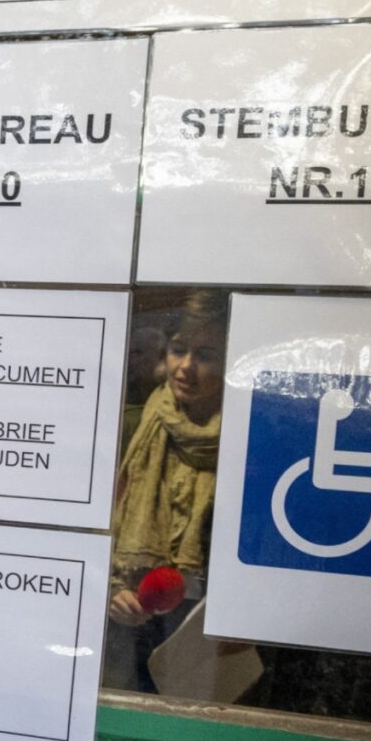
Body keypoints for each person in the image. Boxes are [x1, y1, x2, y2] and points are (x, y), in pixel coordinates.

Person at [105, 291, 227, 693]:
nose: (185, 367)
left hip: (205, 631)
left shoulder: (246, 439)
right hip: (133, 622)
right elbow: (101, 522)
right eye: (178, 350)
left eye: (205, 355)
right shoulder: (135, 425)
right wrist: (113, 589)